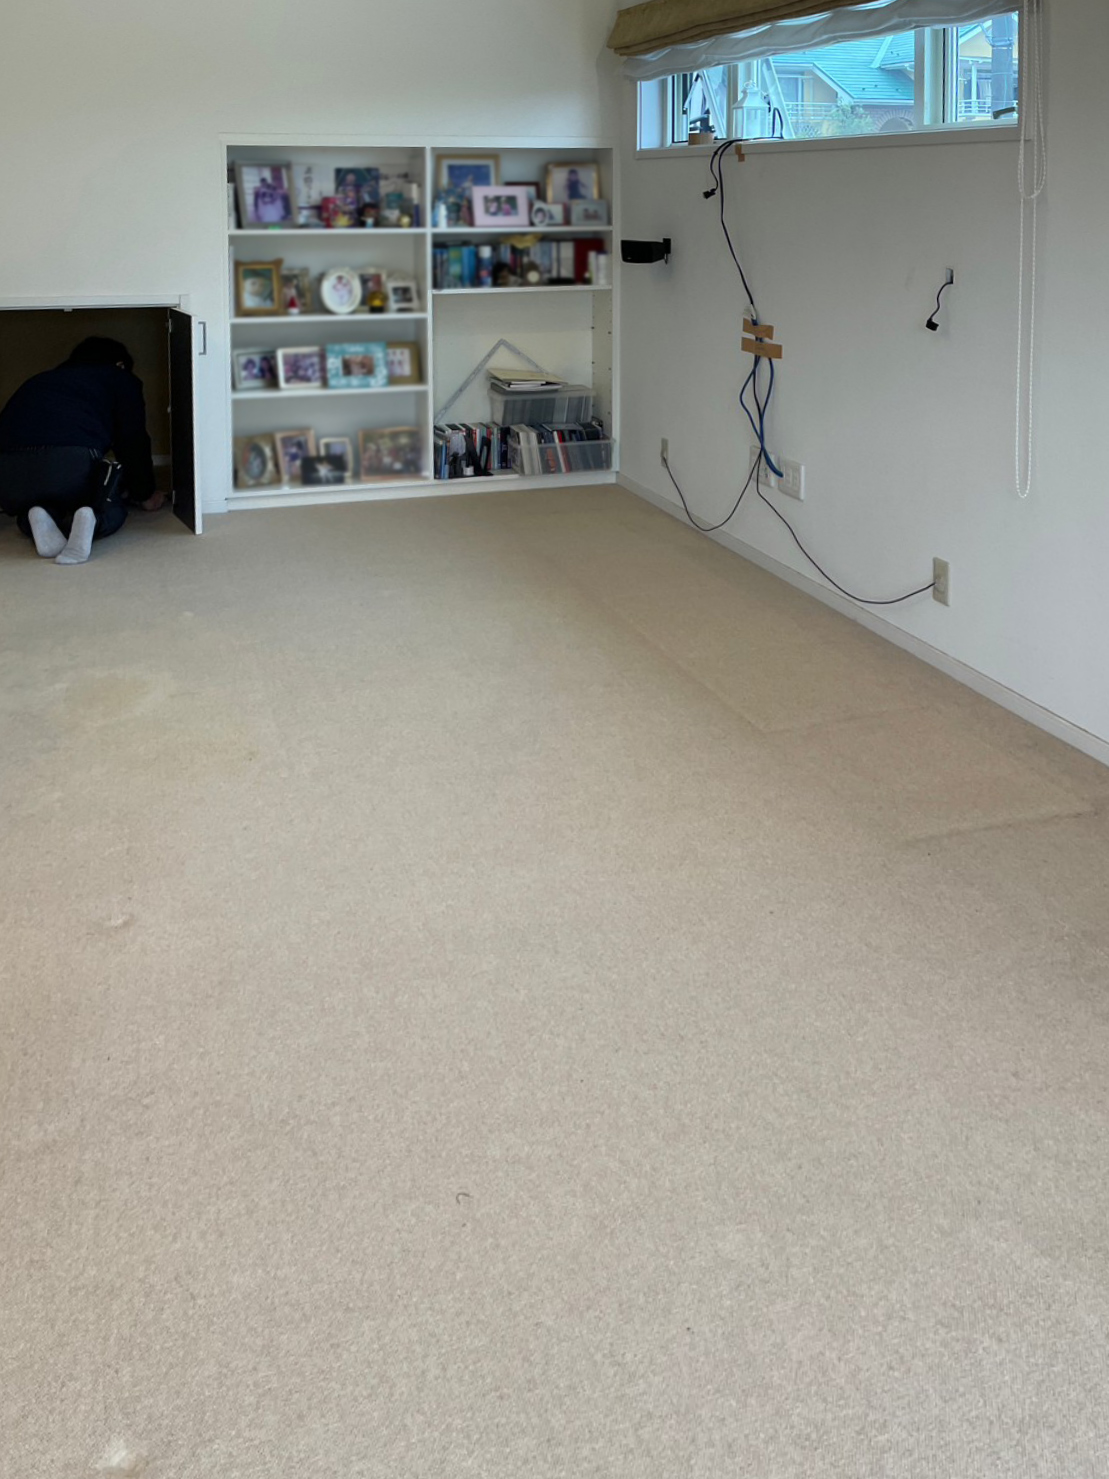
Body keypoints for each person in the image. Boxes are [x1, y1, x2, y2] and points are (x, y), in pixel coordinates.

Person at [0, 336, 161, 565]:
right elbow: (132, 440)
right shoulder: (119, 378)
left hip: (10, 475)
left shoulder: (40, 380)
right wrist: (144, 493)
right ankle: (94, 520)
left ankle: (34, 516)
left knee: (38, 504)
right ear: (120, 364)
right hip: (69, 463)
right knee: (104, 501)